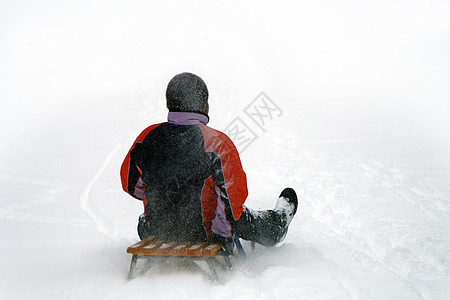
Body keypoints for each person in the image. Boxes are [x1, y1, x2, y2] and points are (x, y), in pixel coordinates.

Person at [120, 72, 298, 250]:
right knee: (242, 217)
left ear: (168, 104)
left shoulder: (146, 137)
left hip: (155, 230)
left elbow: (131, 185)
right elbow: (232, 204)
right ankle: (277, 222)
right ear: (206, 107)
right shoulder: (217, 143)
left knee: (149, 217)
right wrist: (220, 236)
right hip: (207, 235)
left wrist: (165, 194)